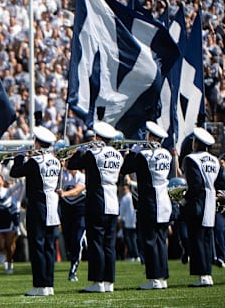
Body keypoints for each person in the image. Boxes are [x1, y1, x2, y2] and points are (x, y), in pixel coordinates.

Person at [66, 121, 122, 293]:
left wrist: (80, 150)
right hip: (113, 200)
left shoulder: (93, 153)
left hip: (97, 200)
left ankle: (98, 282)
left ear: (97, 137)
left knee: (96, 241)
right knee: (109, 244)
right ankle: (109, 282)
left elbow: (72, 164)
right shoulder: (118, 155)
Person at [119, 121, 171, 290]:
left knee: (149, 240)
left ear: (154, 137)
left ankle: (153, 277)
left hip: (150, 201)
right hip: (163, 201)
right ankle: (162, 277)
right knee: (161, 240)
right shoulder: (167, 154)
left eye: (149, 135)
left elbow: (125, 168)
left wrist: (133, 152)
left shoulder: (144, 155)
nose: (145, 138)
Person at [10, 126, 60, 296]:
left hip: (38, 205)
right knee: (48, 246)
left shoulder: (35, 161)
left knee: (37, 245)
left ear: (38, 143)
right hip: (52, 204)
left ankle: (40, 285)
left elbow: (14, 172)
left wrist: (19, 156)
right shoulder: (55, 160)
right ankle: (49, 284)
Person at [181, 127, 225, 287]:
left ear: (197, 143)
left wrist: (183, 201)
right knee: (207, 238)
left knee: (197, 239)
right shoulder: (215, 160)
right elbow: (221, 183)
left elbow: (195, 185)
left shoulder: (191, 159)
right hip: (211, 202)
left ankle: (202, 276)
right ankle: (208, 274)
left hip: (198, 203)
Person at [56, 163, 86, 282]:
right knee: (69, 243)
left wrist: (64, 193)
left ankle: (73, 270)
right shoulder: (63, 176)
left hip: (79, 213)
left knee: (77, 241)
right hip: (66, 213)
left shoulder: (81, 176)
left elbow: (77, 190)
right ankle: (73, 260)